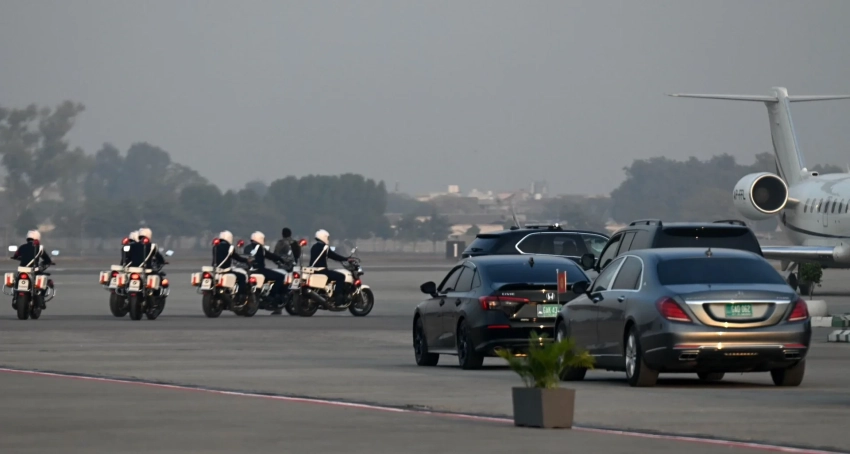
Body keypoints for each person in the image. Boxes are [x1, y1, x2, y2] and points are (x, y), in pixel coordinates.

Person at [309, 229, 353, 307]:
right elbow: (333, 256)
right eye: (328, 237)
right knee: (341, 276)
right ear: (324, 237)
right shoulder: (325, 247)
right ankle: (338, 297)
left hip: (313, 270)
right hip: (322, 270)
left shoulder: (314, 246)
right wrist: (346, 259)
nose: (328, 239)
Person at [12, 230, 55, 309]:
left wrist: (20, 258)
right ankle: (41, 299)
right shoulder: (40, 248)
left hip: (22, 270)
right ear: (38, 238)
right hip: (34, 271)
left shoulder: (22, 247)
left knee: (16, 282)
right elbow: (47, 260)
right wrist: (48, 262)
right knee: (44, 282)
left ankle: (15, 297)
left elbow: (15, 255)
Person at [246, 231, 286, 299]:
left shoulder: (247, 247)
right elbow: (270, 255)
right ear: (260, 238)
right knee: (281, 277)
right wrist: (281, 259)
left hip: (249, 271)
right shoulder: (259, 248)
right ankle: (273, 295)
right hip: (260, 270)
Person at [213, 230, 251, 294]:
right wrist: (246, 260)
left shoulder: (215, 246)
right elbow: (237, 257)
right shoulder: (230, 247)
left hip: (216, 270)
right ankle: (240, 295)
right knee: (242, 277)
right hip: (225, 270)